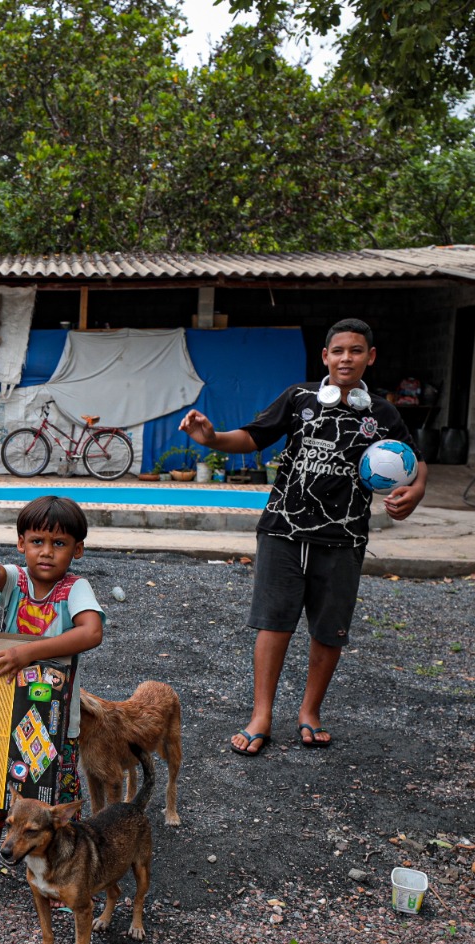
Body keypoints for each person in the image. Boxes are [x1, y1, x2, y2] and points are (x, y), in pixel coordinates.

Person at [178, 317, 426, 756]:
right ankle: (261, 715)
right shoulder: (299, 398)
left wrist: (416, 490)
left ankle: (310, 713)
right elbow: (253, 437)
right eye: (338, 350)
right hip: (283, 530)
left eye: (356, 350)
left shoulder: (382, 413)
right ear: (325, 356)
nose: (346, 357)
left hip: (344, 536)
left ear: (370, 357)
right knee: (274, 623)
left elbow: (415, 460)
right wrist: (212, 438)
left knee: (329, 631)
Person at [0, 496, 105, 902]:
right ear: (21, 544)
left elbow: (91, 633)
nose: (47, 552)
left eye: (59, 543)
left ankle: (62, 874)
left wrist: (28, 651)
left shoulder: (76, 588)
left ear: (78, 549)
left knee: (55, 799)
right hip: (3, 711)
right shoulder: (16, 581)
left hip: (56, 718)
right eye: (37, 541)